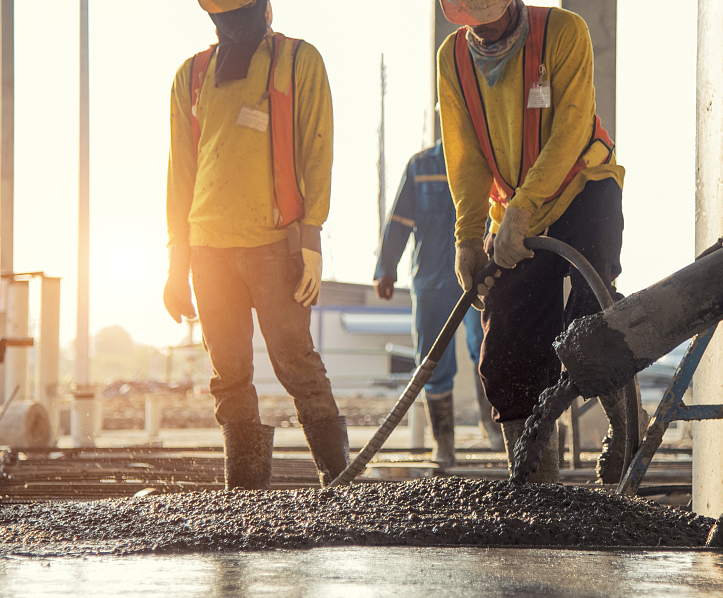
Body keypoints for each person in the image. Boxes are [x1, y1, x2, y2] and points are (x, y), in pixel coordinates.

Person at [437, 0, 630, 483]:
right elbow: (465, 157)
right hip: (515, 215)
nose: (486, 33)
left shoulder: (565, 31)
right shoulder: (454, 58)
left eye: (494, 22)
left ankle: (626, 426)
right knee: (506, 344)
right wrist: (468, 237)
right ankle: (535, 488)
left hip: (584, 188)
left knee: (591, 315)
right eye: (474, 25)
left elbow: (569, 130)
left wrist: (521, 212)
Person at [164, 0, 348, 489]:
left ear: (266, 11)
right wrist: (176, 262)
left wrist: (311, 238)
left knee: (297, 365)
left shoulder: (297, 61)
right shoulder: (192, 75)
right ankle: (245, 496)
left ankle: (339, 482)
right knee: (229, 377)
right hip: (208, 253)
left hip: (274, 246)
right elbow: (180, 175)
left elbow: (318, 149)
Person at [374, 140, 506, 468]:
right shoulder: (420, 167)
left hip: (480, 277)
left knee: (489, 350)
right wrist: (386, 270)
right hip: (433, 282)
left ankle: (492, 425)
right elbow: (399, 223)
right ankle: (444, 444)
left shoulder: (489, 160)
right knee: (433, 361)